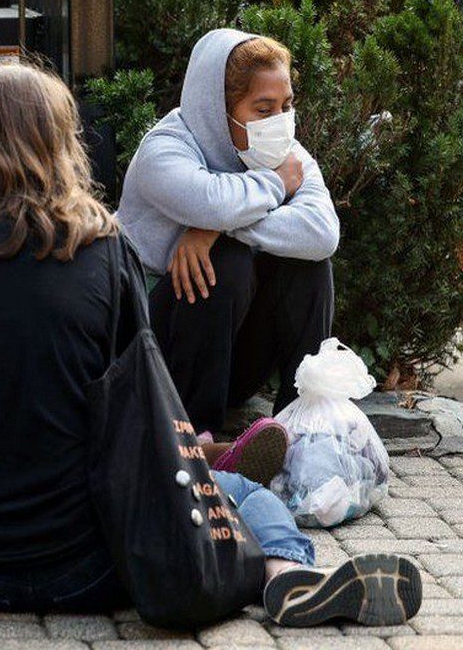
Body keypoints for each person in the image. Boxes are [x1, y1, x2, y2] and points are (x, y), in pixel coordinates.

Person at [0, 64, 420, 625]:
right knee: (245, 494)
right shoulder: (101, 250)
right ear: (57, 143)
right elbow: (133, 406)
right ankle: (284, 571)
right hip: (100, 563)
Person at [116, 28, 339, 434]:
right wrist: (273, 185)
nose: (281, 121)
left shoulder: (285, 153)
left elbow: (322, 232)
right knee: (228, 265)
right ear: (219, 108)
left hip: (231, 362)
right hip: (152, 354)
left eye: (287, 105)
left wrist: (216, 231)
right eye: (264, 109)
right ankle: (196, 438)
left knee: (308, 263)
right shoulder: (163, 150)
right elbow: (212, 202)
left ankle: (298, 427)